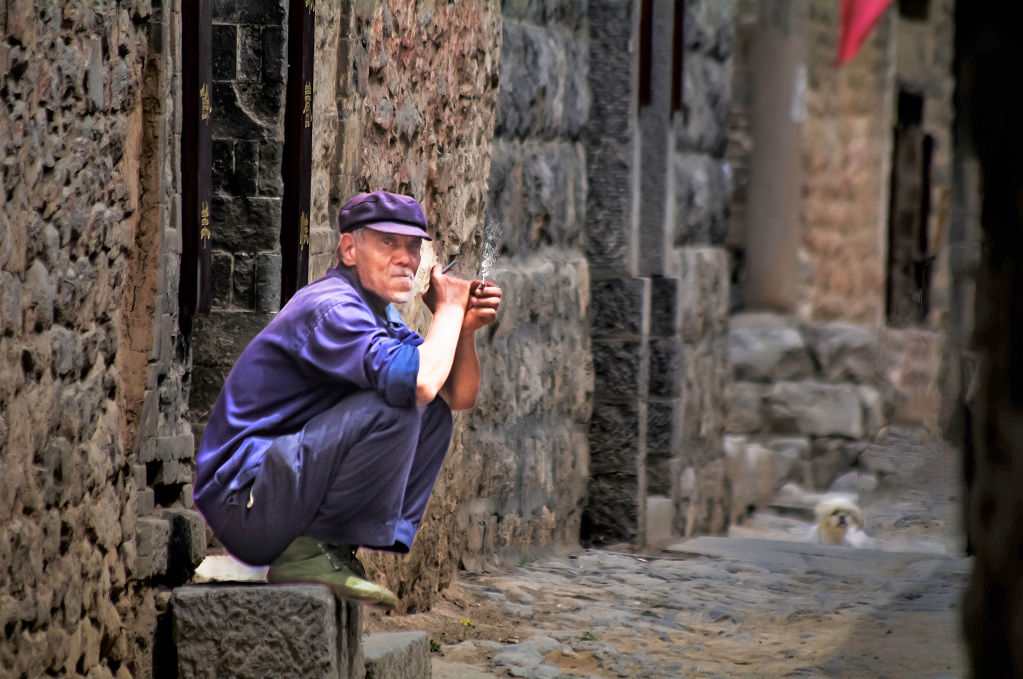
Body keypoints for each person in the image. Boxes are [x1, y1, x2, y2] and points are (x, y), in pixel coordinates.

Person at [193, 191, 502, 610]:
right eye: (387, 242)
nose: (405, 258)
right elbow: (422, 382)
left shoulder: (377, 312)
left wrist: (461, 328)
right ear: (349, 249)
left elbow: (456, 395)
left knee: (432, 416)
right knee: (401, 401)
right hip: (245, 500)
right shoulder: (332, 307)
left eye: (413, 246)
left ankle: (327, 549)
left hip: (277, 490)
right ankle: (305, 554)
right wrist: (447, 309)